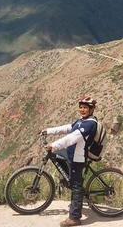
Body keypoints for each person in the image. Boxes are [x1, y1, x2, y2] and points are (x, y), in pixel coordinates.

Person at [41, 96, 98, 227]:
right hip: (69, 153)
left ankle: (75, 218)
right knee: (55, 155)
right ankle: (68, 179)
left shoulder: (90, 124)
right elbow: (68, 128)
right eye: (81, 107)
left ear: (91, 109)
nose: (82, 110)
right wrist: (49, 131)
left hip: (78, 158)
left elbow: (72, 138)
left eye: (85, 108)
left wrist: (53, 145)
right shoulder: (81, 121)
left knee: (76, 187)